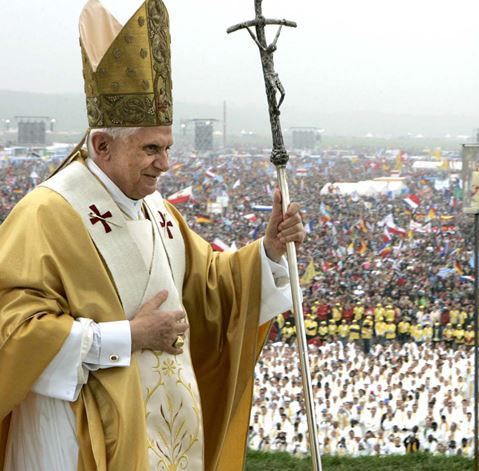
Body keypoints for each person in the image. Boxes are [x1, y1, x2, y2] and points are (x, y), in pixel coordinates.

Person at [0, 1, 306, 469]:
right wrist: (127, 336)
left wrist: (269, 250)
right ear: (102, 145)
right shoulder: (46, 214)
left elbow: (210, 287)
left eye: (167, 147)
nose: (164, 163)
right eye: (150, 148)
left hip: (161, 434)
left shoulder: (158, 210)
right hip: (70, 439)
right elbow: (14, 334)